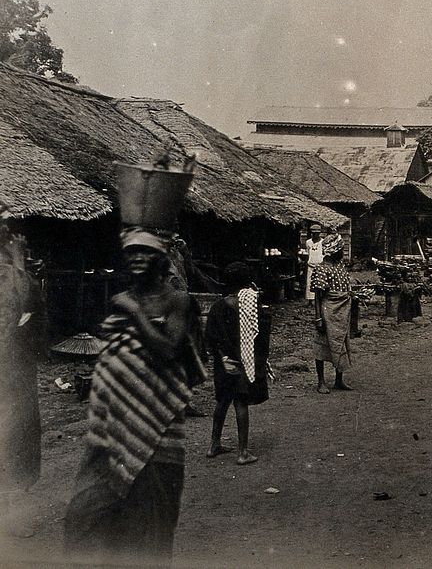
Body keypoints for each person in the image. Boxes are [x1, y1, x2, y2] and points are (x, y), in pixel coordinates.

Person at [64, 227, 205, 564]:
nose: (138, 257)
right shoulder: (123, 298)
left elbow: (169, 350)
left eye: (146, 251)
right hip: (110, 433)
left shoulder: (177, 300)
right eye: (131, 252)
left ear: (162, 256)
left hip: (158, 435)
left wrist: (135, 312)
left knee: (149, 532)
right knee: (83, 521)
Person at [0, 221, 47, 538]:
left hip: (14, 368)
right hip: (9, 370)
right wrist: (19, 266)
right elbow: (20, 311)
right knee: (14, 438)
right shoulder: (9, 274)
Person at [205, 262, 272, 465]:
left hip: (224, 361)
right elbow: (261, 334)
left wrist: (221, 356)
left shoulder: (219, 306)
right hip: (245, 361)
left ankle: (214, 445)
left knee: (223, 401)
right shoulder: (251, 305)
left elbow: (210, 336)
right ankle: (243, 452)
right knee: (241, 403)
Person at [312, 233, 354, 392]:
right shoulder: (322, 269)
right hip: (327, 311)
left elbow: (344, 288)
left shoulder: (340, 266)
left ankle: (339, 379)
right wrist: (318, 318)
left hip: (342, 312)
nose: (343, 252)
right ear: (334, 250)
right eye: (341, 249)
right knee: (322, 345)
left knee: (341, 342)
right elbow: (318, 296)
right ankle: (321, 382)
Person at [302, 224, 325, 302]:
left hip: (320, 265)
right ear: (311, 233)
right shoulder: (308, 242)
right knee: (310, 282)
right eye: (313, 233)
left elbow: (324, 253)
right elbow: (308, 253)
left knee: (320, 282)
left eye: (317, 233)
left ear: (319, 233)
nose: (315, 235)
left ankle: (319, 299)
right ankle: (310, 300)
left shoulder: (323, 242)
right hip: (311, 265)